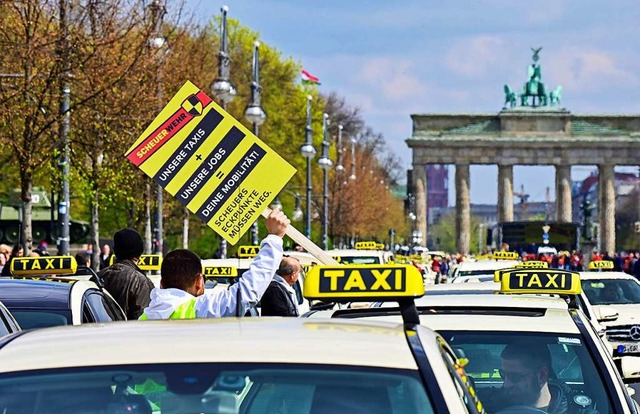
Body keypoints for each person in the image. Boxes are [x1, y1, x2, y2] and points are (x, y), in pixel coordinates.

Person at [139, 209, 289, 320]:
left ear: (162, 284)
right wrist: (274, 238)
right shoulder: (199, 311)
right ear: (199, 282)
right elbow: (245, 293)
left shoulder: (142, 320)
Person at [482, 344, 597, 414]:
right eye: (503, 374)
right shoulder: (485, 405)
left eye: (514, 377)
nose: (506, 384)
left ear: (541, 375)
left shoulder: (576, 411)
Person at [97, 228, 154, 320]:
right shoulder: (141, 282)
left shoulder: (98, 277)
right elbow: (142, 319)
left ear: (115, 250)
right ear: (140, 252)